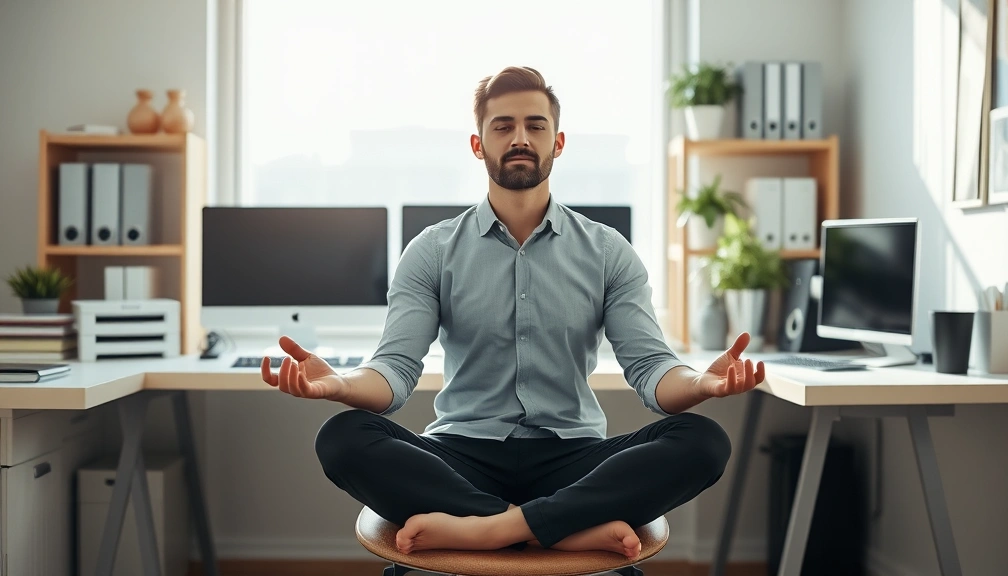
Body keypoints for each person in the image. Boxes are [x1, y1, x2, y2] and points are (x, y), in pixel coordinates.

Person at [261, 66, 766, 561]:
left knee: (703, 441)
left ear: (558, 143)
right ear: (478, 145)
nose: (519, 137)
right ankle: (557, 528)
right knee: (342, 437)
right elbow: (394, 373)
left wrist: (700, 383)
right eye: (503, 126)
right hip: (460, 452)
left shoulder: (608, 251)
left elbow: (652, 370)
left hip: (575, 455)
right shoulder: (432, 250)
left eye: (535, 125)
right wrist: (340, 385)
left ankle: (491, 529)